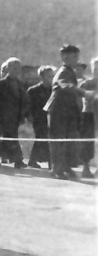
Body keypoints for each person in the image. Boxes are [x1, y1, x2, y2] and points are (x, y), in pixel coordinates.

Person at [47, 44, 83, 179]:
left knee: (68, 140)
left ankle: (65, 166)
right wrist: (83, 92)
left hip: (67, 111)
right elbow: (66, 86)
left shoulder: (70, 71)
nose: (77, 60)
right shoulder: (63, 72)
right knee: (59, 140)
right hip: (58, 110)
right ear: (65, 57)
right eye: (75, 57)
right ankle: (57, 169)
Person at [0, 58, 26, 168]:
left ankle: (3, 157)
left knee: (12, 137)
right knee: (3, 137)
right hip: (2, 115)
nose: (16, 70)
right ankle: (16, 160)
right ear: (8, 68)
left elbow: (22, 100)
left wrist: (23, 114)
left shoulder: (20, 84)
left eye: (18, 68)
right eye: (14, 68)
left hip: (15, 115)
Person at [27, 66, 54, 169]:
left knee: (48, 139)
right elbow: (28, 105)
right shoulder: (33, 90)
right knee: (41, 138)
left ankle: (44, 161)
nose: (51, 78)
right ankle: (37, 160)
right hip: (38, 118)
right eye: (48, 76)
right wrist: (29, 116)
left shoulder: (53, 90)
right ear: (42, 76)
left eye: (52, 76)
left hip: (50, 118)